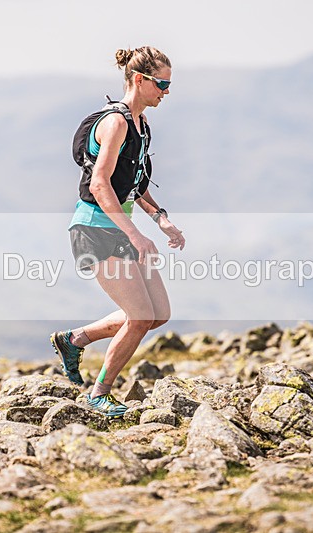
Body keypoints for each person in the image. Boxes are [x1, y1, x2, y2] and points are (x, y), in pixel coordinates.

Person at [50, 46, 185, 419]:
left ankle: (75, 340)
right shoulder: (116, 122)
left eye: (169, 85)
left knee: (157, 314)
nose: (166, 91)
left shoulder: (141, 125)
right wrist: (137, 235)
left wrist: (160, 219)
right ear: (139, 80)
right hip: (94, 229)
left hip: (119, 228)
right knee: (139, 316)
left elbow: (134, 182)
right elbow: (100, 184)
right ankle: (99, 394)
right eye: (162, 83)